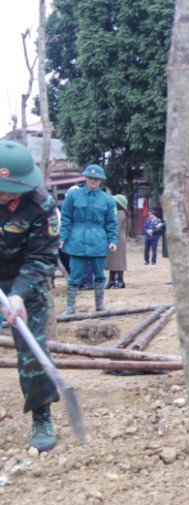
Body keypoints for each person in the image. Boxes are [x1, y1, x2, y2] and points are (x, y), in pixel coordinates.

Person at [0, 140, 62, 452]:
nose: (4, 195)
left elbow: (41, 258)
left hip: (24, 281)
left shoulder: (42, 206)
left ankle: (41, 416)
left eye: (9, 190)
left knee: (33, 351)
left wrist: (19, 295)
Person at [59, 164, 118, 314]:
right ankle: (70, 308)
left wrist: (113, 240)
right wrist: (62, 237)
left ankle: (100, 306)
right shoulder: (73, 196)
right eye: (90, 177)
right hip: (77, 240)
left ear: (101, 181)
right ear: (85, 177)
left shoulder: (108, 200)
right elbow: (66, 218)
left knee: (99, 275)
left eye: (96, 179)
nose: (93, 181)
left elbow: (111, 223)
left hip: (98, 240)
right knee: (75, 275)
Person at [106, 194, 128, 288]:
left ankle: (120, 281)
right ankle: (111, 280)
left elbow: (116, 228)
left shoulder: (119, 213)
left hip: (118, 239)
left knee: (118, 261)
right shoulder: (119, 212)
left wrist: (111, 238)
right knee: (113, 261)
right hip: (116, 238)